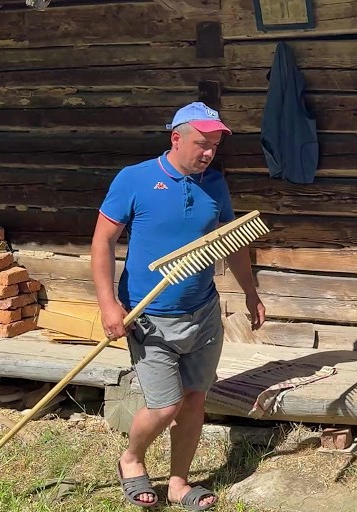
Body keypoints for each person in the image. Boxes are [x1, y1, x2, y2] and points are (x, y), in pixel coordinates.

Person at [92, 101, 266, 510]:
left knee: (194, 400)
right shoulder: (135, 179)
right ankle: (131, 458)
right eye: (201, 144)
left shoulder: (215, 184)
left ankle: (179, 483)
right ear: (176, 138)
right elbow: (102, 242)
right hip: (148, 317)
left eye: (214, 146)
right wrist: (108, 304)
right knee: (165, 404)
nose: (208, 153)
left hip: (203, 313)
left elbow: (232, 242)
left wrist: (250, 292)